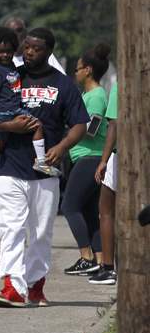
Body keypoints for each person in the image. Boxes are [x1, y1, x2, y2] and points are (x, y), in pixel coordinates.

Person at [0, 28, 87, 308]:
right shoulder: (9, 74)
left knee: (41, 231)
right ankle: (12, 287)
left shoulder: (64, 84)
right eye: (27, 47)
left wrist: (62, 147)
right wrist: (7, 126)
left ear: (49, 52)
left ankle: (34, 286)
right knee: (12, 228)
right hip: (9, 166)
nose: (29, 52)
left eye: (37, 48)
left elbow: (80, 123)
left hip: (45, 171)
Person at [0, 27, 59, 194]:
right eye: (0, 52)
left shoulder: (11, 65)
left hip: (10, 110)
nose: (5, 55)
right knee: (37, 125)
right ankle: (41, 161)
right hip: (8, 111)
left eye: (8, 51)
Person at [61, 44, 111, 276]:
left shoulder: (97, 96)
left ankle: (86, 256)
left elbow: (91, 129)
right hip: (83, 157)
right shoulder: (87, 95)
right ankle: (100, 259)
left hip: (90, 158)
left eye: (77, 69)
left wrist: (71, 126)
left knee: (69, 206)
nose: (75, 72)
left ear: (88, 70)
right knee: (89, 211)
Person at [0, 16, 65, 98]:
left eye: (19, 30)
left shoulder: (43, 55)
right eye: (11, 31)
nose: (15, 34)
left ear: (26, 33)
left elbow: (63, 83)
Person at [90, 81, 119, 285]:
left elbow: (114, 124)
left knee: (106, 209)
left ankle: (108, 268)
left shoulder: (122, 81)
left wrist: (103, 160)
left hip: (124, 154)